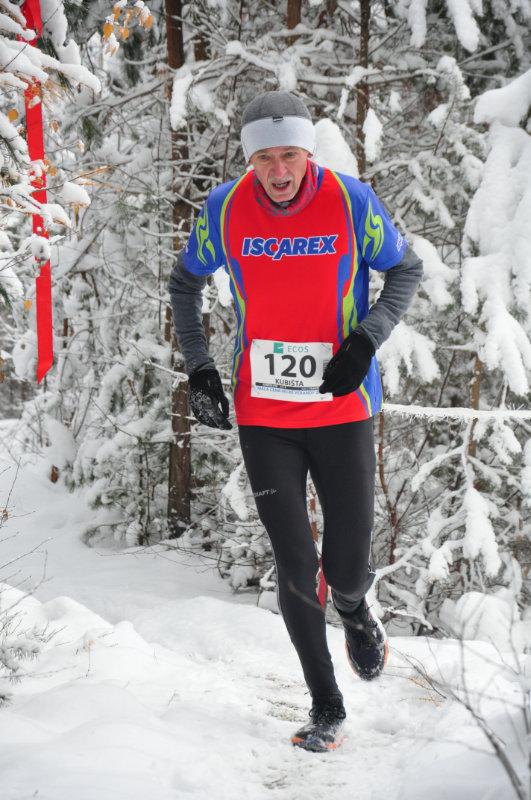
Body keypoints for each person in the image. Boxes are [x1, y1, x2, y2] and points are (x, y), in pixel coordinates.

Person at [169, 91, 423, 753]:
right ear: (248, 159)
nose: (278, 171)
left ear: (307, 152)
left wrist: (365, 340)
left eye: (289, 155)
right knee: (294, 563)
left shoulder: (349, 201)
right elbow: (184, 282)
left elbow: (404, 269)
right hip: (265, 415)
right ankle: (325, 704)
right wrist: (200, 367)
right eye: (263, 158)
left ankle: (355, 608)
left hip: (342, 409)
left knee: (344, 566)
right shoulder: (225, 207)